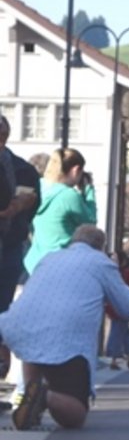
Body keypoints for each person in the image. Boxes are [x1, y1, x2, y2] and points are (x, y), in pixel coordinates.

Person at [1, 225, 129, 430]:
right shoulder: (100, 262)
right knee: (75, 417)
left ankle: (31, 397)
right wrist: (115, 271)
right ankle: (42, 396)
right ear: (101, 247)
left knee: (32, 342)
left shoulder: (50, 258)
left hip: (15, 324)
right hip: (65, 339)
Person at [23, 147, 97, 276]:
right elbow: (90, 223)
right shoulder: (68, 196)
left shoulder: (39, 187)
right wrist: (89, 191)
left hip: (35, 262)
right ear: (76, 170)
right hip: (60, 263)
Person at [0, 114, 40, 313]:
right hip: (11, 241)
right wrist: (15, 208)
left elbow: (33, 206)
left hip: (10, 244)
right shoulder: (23, 168)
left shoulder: (24, 169)